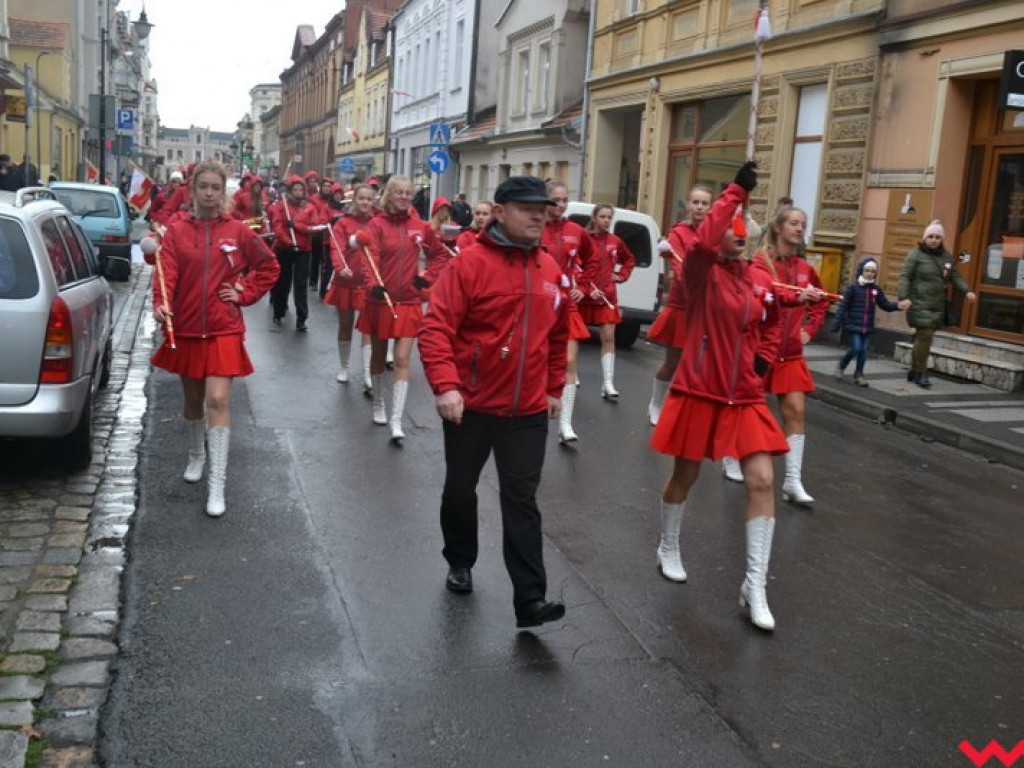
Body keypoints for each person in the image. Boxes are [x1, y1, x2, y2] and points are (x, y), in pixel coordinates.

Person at [419, 175, 569, 629]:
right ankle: (460, 558)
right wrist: (446, 386)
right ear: (500, 212)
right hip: (472, 404)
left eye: (542, 208)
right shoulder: (470, 265)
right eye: (528, 208)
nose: (539, 215)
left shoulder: (550, 270)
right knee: (460, 490)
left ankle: (530, 600)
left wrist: (553, 387)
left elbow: (559, 335)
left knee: (521, 500)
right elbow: (435, 328)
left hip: (526, 410)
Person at [649, 161, 787, 631]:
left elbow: (770, 321)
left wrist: (763, 359)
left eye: (745, 230)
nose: (741, 235)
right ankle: (668, 545)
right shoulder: (699, 272)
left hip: (744, 395)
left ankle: (756, 586)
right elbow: (705, 239)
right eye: (733, 230)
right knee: (684, 479)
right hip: (699, 389)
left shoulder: (756, 278)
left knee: (764, 481)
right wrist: (735, 191)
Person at [149, 160, 280, 517]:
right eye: (202, 187)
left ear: (224, 193)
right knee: (193, 402)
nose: (209, 193)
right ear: (192, 191)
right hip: (187, 326)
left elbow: (269, 266)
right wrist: (162, 305)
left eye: (215, 188)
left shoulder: (238, 231)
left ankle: (217, 485)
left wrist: (244, 292)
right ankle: (196, 454)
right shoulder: (176, 231)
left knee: (218, 400)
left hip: (224, 327)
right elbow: (165, 275)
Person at [355, 175, 447, 443]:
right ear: (389, 195)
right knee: (378, 356)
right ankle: (378, 405)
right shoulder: (377, 224)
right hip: (380, 300)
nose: (404, 197)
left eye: (408, 193)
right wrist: (373, 285)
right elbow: (369, 257)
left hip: (409, 301)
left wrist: (427, 277)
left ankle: (396, 419)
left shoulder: (420, 226)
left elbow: (439, 254)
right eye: (399, 192)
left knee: (403, 359)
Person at [746, 206, 827, 505]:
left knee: (795, 411)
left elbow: (822, 300)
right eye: (793, 223)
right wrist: (795, 298)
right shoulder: (760, 262)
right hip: (760, 349)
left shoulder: (805, 269)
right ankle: (733, 457)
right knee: (748, 408)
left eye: (802, 224)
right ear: (779, 227)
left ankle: (793, 481)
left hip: (791, 353)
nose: (799, 228)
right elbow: (760, 295)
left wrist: (809, 330)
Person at [541, 180, 595, 444]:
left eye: (564, 200)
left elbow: (592, 258)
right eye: (555, 200)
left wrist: (583, 286)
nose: (561, 205)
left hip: (567, 304)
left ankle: (565, 424)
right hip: (540, 303)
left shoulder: (576, 230)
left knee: (569, 362)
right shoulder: (535, 226)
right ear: (546, 200)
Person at [897, 220, 976, 389]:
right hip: (918, 303)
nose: (934, 240)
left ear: (942, 239)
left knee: (922, 339)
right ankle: (921, 373)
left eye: (937, 237)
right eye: (931, 236)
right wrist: (903, 297)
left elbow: (955, 276)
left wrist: (967, 290)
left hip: (936, 305)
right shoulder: (915, 255)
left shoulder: (946, 257)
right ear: (925, 238)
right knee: (925, 337)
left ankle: (913, 369)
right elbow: (905, 277)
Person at [579, 203, 635, 399]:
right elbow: (575, 265)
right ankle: (571, 373)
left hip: (607, 297)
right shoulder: (584, 239)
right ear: (594, 217)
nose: (606, 220)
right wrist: (584, 288)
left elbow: (629, 259)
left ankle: (608, 382)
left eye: (609, 217)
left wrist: (620, 276)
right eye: (602, 216)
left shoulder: (615, 241)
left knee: (609, 337)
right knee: (575, 337)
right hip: (584, 296)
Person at [325, 183, 374, 390]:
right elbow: (336, 248)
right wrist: (340, 267)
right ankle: (344, 366)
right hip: (346, 281)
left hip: (368, 283)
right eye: (361, 198)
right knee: (345, 326)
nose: (365, 202)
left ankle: (367, 373)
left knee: (368, 329)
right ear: (354, 200)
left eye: (369, 199)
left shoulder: (377, 223)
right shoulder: (343, 224)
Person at [832, 258, 910, 386]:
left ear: (875, 274)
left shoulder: (876, 290)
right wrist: (836, 323)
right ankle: (842, 365)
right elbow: (843, 306)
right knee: (856, 348)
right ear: (862, 271)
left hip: (867, 327)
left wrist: (898, 306)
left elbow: (884, 304)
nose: (869, 273)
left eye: (872, 271)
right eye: (867, 270)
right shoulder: (853, 288)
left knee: (863, 351)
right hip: (854, 325)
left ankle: (859, 375)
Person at [268, 175, 325, 331]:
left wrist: (297, 226)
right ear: (290, 190)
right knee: (283, 282)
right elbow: (277, 227)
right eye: (295, 189)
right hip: (285, 248)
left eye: (301, 189)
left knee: (300, 284)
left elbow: (313, 227)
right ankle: (279, 312)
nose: (298, 192)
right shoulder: (280, 206)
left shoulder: (310, 208)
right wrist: (289, 241)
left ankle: (302, 318)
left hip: (303, 250)